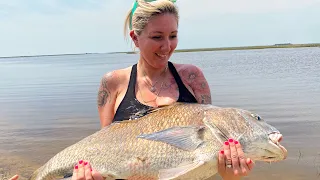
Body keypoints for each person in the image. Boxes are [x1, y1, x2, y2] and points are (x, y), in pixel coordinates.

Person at [9, 0, 254, 179]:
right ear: (135, 38)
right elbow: (105, 148)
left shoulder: (192, 77)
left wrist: (230, 172)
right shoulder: (113, 83)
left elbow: (208, 153)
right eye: (157, 37)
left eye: (173, 35)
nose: (167, 46)